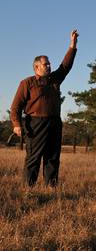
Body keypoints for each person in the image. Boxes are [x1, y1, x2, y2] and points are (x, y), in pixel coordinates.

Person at [10, 30, 79, 187]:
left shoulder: (54, 79)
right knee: (33, 157)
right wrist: (16, 124)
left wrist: (73, 46)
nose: (49, 66)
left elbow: (65, 66)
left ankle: (51, 188)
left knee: (53, 157)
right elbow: (15, 106)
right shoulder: (27, 83)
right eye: (45, 64)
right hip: (35, 124)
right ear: (36, 67)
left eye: (49, 64)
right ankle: (29, 188)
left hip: (54, 122)